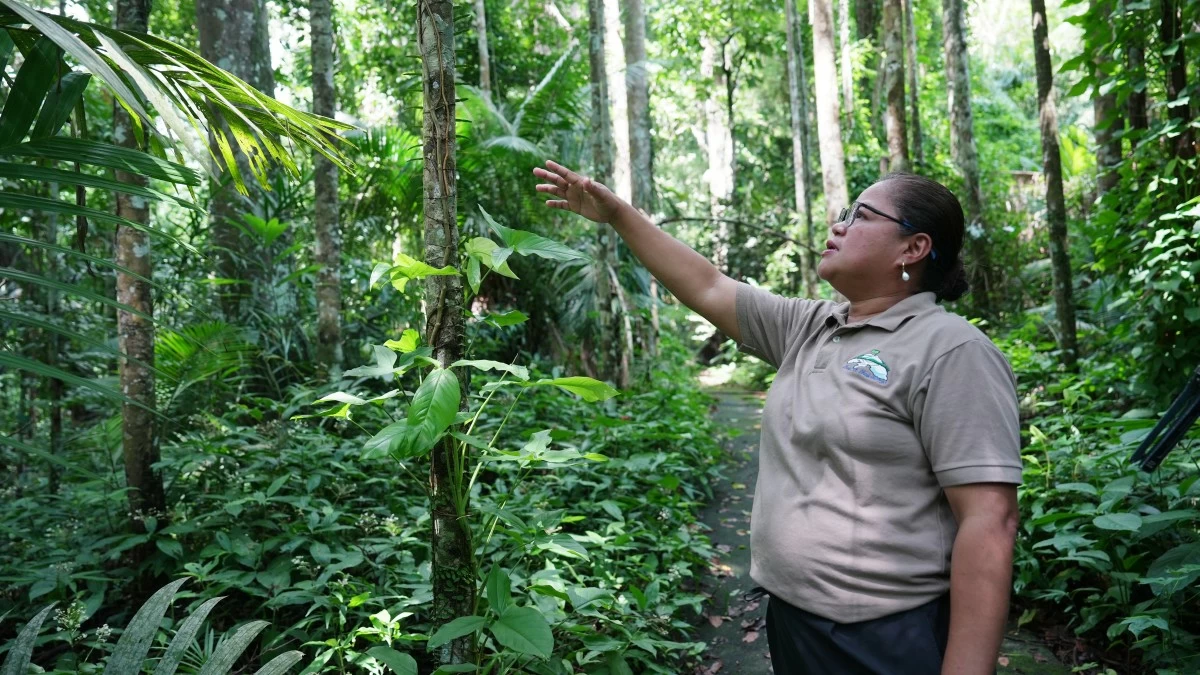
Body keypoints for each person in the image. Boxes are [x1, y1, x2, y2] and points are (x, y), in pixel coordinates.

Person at [533, 160, 1021, 675]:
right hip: (793, 620)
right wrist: (617, 215)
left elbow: (990, 522)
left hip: (886, 635)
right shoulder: (811, 326)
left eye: (859, 215)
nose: (838, 226)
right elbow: (708, 286)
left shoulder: (953, 350)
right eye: (843, 213)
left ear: (913, 248)